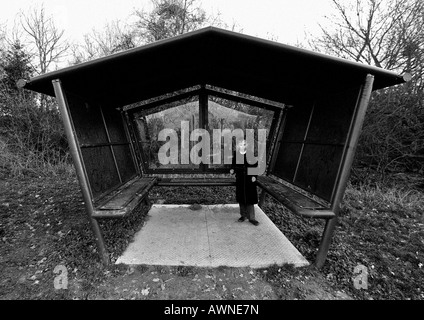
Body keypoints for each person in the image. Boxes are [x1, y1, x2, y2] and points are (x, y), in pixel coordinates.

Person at [230, 139, 259, 226]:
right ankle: (243, 216)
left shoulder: (250, 154)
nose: (242, 146)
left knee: (250, 198)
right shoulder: (236, 154)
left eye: (244, 144)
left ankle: (252, 218)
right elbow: (233, 165)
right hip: (240, 179)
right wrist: (232, 170)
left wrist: (254, 178)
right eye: (241, 144)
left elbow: (255, 167)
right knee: (241, 198)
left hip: (249, 179)